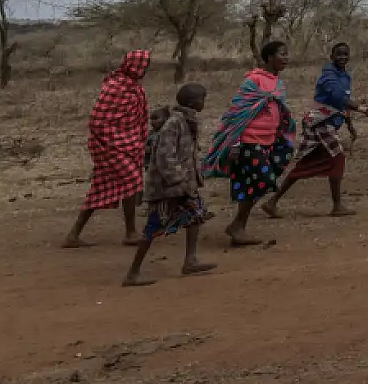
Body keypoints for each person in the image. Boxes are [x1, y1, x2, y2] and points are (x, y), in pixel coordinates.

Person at [261, 41, 368, 219]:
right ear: (331, 57)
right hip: (320, 123)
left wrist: (350, 124)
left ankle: (273, 202)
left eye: (345, 54)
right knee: (338, 158)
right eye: (339, 54)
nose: (342, 58)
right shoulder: (328, 76)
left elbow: (340, 103)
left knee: (309, 162)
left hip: (327, 122)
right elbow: (338, 96)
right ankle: (337, 205)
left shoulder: (343, 76)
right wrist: (363, 110)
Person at [123, 83, 218, 286]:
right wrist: (178, 179)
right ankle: (133, 273)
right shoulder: (175, 123)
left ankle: (190, 260)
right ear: (194, 102)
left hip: (182, 184)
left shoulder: (186, 121)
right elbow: (165, 155)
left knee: (196, 216)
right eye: (203, 98)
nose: (204, 102)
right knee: (153, 226)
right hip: (169, 187)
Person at [201, 40, 293, 247]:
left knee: (253, 183)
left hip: (269, 139)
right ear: (269, 57)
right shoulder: (254, 80)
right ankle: (237, 225)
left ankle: (238, 227)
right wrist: (236, 142)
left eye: (287, 54)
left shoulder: (277, 83)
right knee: (262, 179)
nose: (286, 58)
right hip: (250, 141)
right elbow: (238, 113)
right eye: (282, 54)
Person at [64, 49, 151, 248]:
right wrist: (113, 142)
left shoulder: (134, 88)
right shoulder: (115, 87)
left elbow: (137, 120)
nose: (144, 70)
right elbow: (98, 121)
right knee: (132, 181)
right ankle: (130, 232)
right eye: (143, 66)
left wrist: (133, 141)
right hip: (109, 147)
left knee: (100, 189)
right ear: (133, 65)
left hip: (128, 145)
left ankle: (73, 235)